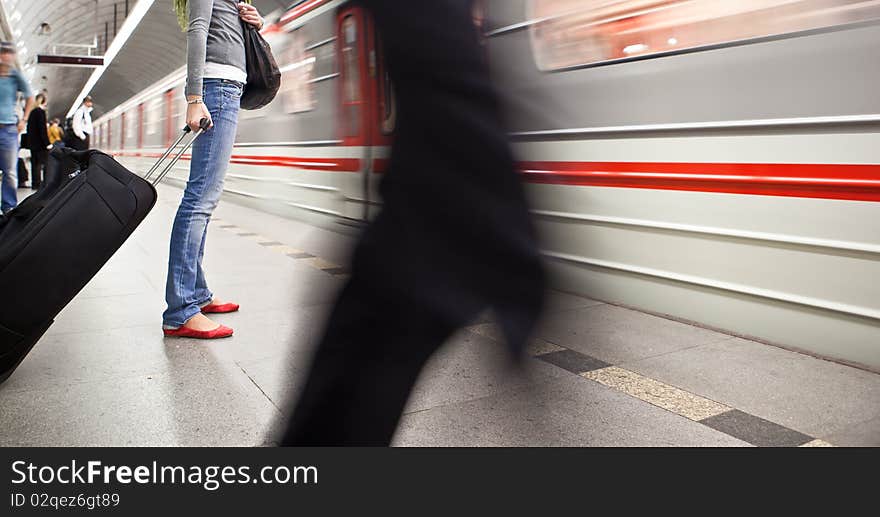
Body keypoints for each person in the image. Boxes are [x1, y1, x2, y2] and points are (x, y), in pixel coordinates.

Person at [279, 0, 546, 445]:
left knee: (376, 318)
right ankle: (468, 192)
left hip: (430, 221)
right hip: (438, 210)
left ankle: (462, 194)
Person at [162, 1, 264, 339]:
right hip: (215, 87)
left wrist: (254, 22)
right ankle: (180, 311)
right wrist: (194, 96)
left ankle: (198, 293)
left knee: (206, 197)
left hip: (227, 86)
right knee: (200, 198)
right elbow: (198, 29)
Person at [0, 41, 34, 213]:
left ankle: (8, 209)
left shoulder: (15, 76)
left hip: (8, 129)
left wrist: (24, 119)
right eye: (3, 53)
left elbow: (30, 96)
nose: (5, 56)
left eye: (8, 53)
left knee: (10, 173)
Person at [26, 92, 50, 190]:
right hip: (40, 144)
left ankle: (35, 184)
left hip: (32, 143)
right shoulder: (41, 112)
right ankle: (44, 184)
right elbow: (42, 129)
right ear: (44, 101)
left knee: (35, 164)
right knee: (44, 164)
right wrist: (47, 143)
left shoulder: (32, 112)